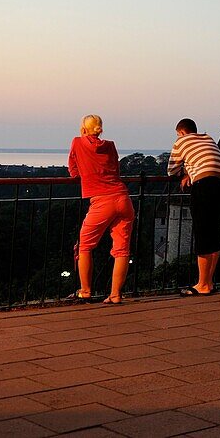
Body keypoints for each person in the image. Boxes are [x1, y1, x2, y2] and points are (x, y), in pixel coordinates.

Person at [67, 115, 135, 305]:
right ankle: (115, 294)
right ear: (100, 129)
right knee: (122, 250)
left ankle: (86, 290)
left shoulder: (78, 142)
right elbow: (116, 169)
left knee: (85, 246)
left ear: (83, 129)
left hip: (101, 201)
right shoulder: (111, 145)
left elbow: (73, 169)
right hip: (123, 198)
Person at [168, 118, 220, 295]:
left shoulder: (181, 141)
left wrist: (186, 173)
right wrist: (190, 170)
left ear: (181, 132)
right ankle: (209, 282)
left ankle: (202, 284)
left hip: (205, 185)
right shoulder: (208, 138)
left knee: (202, 233)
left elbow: (171, 170)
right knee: (214, 232)